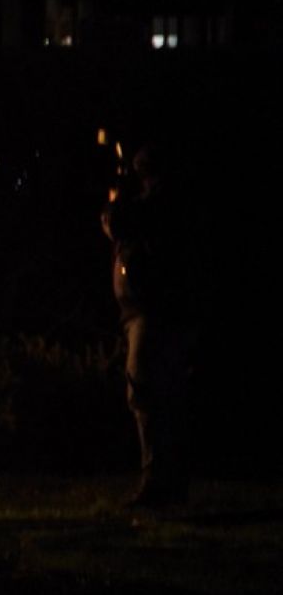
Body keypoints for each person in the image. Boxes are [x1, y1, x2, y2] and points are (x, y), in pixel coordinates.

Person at [101, 143, 197, 507]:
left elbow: (116, 223)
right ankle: (167, 482)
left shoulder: (159, 203)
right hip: (143, 310)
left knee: (148, 393)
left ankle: (160, 481)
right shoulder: (153, 203)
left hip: (153, 311)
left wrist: (117, 198)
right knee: (156, 394)